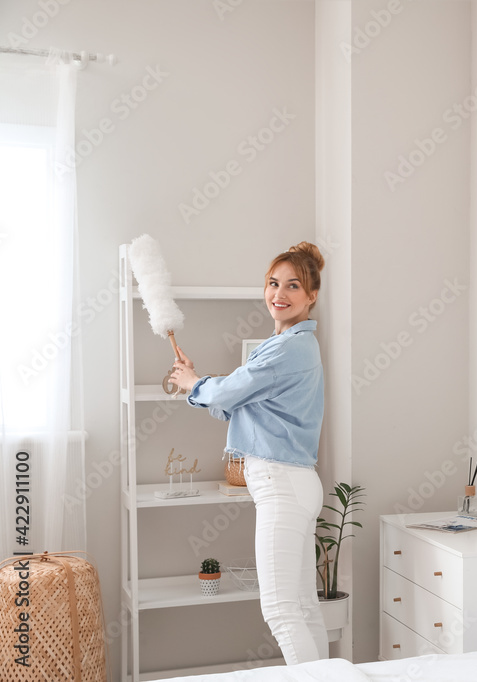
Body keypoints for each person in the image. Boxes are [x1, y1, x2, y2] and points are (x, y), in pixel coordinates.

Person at [170, 242, 327, 665]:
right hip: (294, 482)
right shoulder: (288, 345)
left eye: (293, 286)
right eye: (273, 283)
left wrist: (195, 383)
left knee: (280, 609)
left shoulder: (287, 348)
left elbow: (231, 390)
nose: (280, 293)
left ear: (311, 295)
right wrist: (196, 382)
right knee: (303, 607)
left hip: (281, 483)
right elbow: (234, 402)